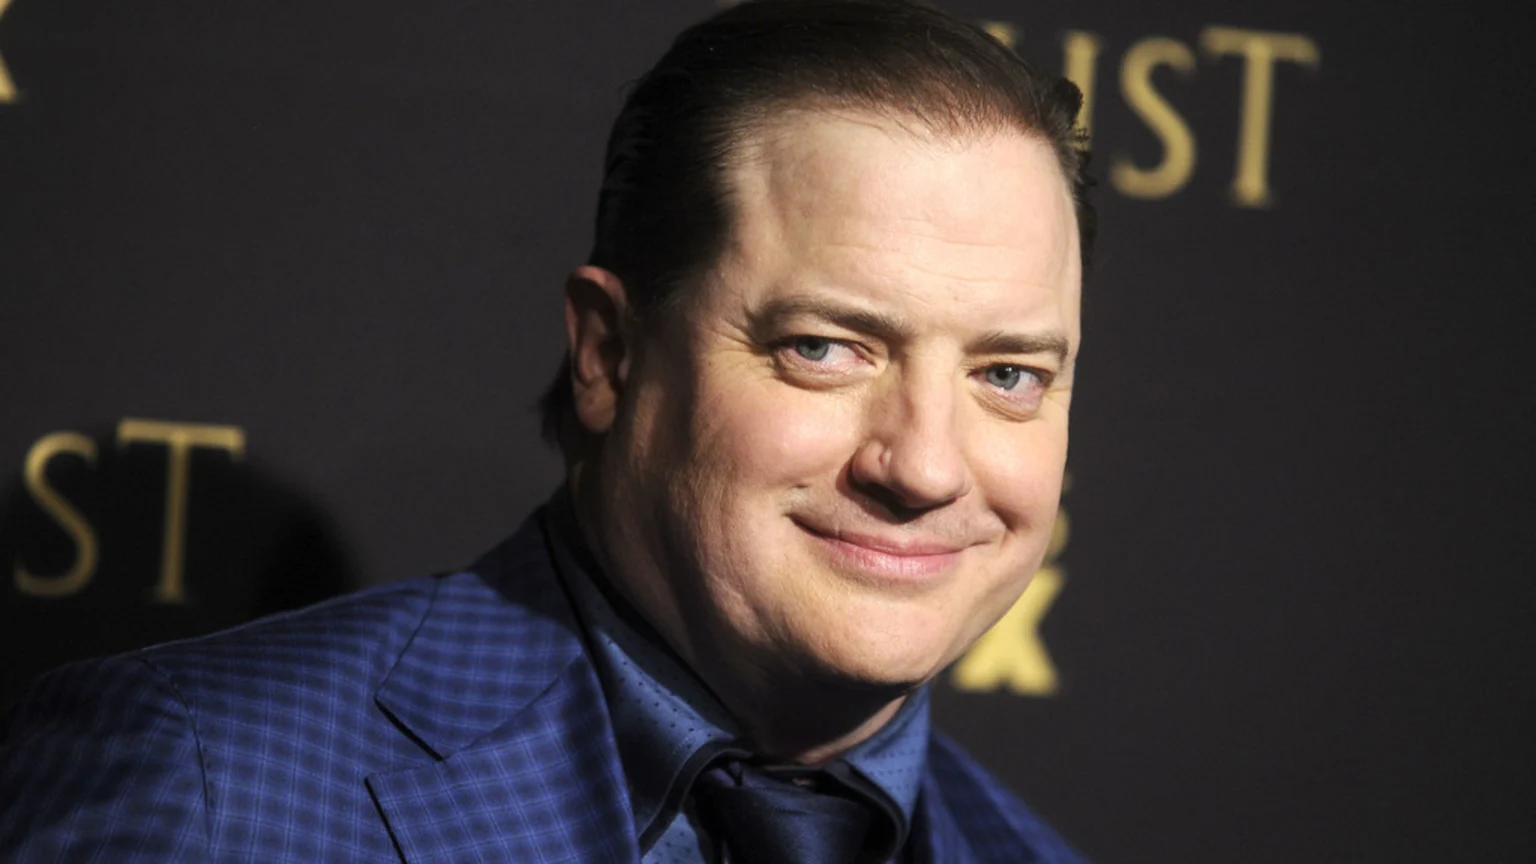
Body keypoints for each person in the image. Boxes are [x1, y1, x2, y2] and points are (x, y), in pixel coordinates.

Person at [0, 0, 1094, 860]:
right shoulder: (208, 786)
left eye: (1008, 372)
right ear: (607, 356)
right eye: (824, 347)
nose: (927, 463)